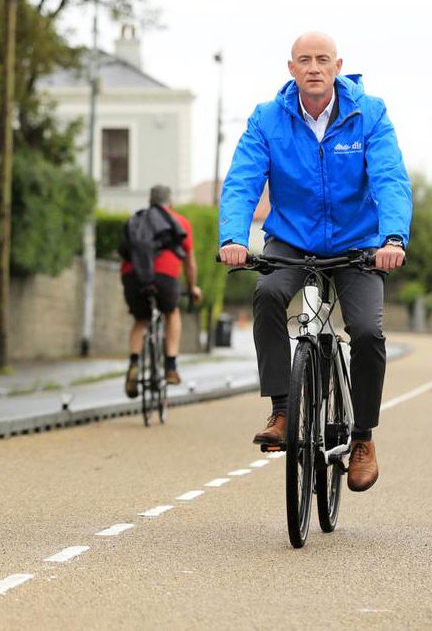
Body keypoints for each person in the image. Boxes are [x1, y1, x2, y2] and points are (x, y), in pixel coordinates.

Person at [218, 31, 411, 492]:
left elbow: (389, 178)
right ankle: (283, 410)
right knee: (266, 295)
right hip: (291, 241)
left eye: (322, 59)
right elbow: (243, 180)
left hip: (357, 246)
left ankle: (362, 437)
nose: (313, 67)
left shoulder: (370, 113)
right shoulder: (268, 119)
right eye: (304, 60)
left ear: (338, 65)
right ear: (291, 69)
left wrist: (393, 237)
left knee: (366, 331)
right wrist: (232, 236)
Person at [122, 185, 202, 397]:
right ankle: (171, 366)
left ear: (150, 201)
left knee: (141, 320)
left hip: (133, 275)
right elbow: (189, 262)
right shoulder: (179, 221)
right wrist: (192, 286)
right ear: (171, 203)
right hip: (165, 275)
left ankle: (134, 362)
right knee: (172, 312)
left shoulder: (136, 220)